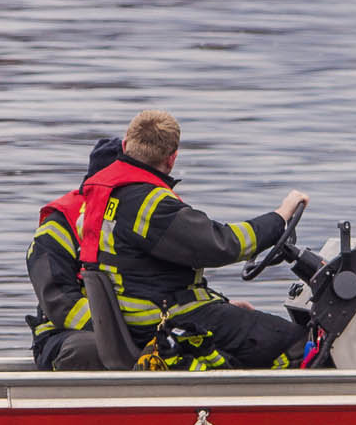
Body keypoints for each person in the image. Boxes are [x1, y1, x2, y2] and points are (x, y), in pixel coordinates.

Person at [79, 109, 309, 370]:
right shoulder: (150, 204)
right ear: (172, 158)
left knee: (246, 323)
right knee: (296, 340)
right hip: (165, 320)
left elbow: (142, 271)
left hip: (138, 317)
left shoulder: (100, 199)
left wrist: (223, 305)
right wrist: (280, 217)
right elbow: (222, 245)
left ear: (124, 146)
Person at [25, 137, 121, 371]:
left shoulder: (144, 218)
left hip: (133, 328)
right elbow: (61, 303)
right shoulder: (58, 228)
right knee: (89, 349)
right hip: (66, 333)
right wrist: (120, 331)